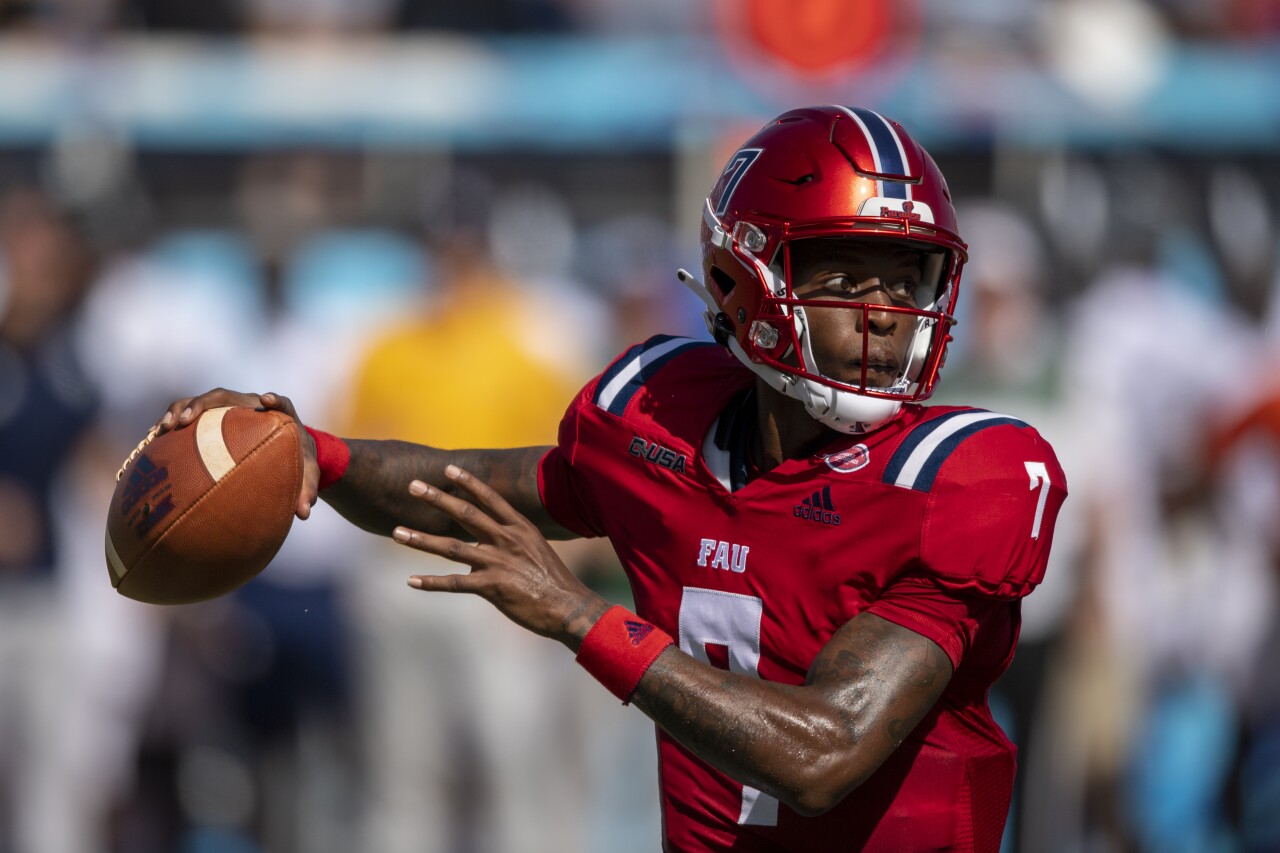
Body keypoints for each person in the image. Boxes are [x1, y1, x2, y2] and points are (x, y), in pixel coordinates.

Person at [155, 105, 1067, 852]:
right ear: (740, 282)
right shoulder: (659, 419)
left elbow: (821, 754)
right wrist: (315, 450)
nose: (886, 315)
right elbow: (475, 482)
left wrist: (584, 619)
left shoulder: (960, 476)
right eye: (847, 276)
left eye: (906, 282)